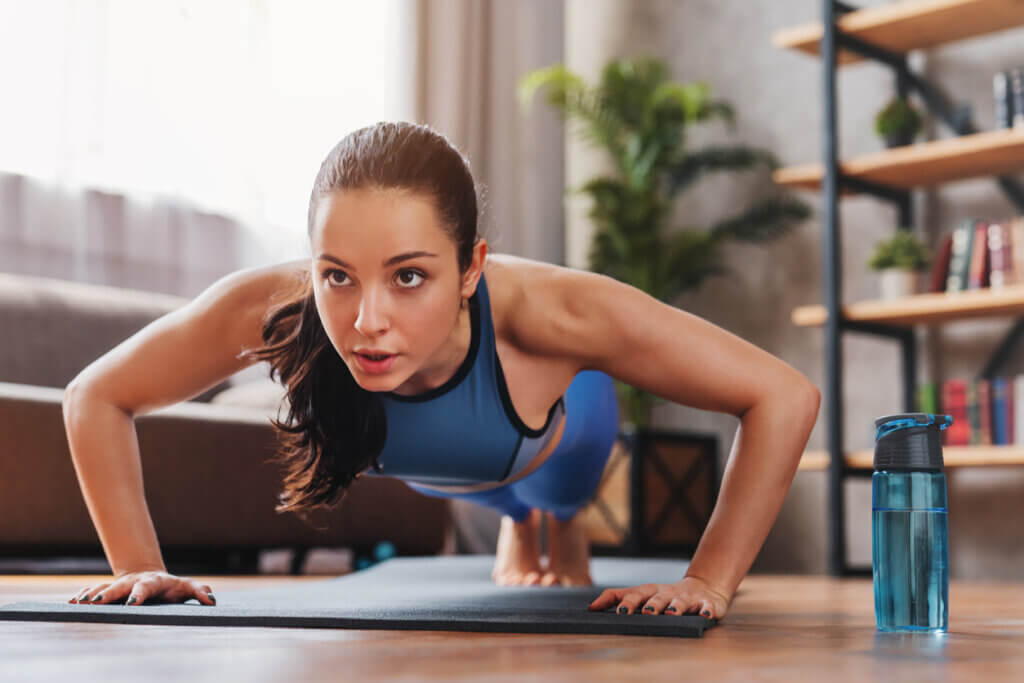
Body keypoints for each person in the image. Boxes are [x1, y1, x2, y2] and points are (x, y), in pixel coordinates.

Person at [63, 121, 819, 620]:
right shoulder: (274, 307)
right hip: (445, 461)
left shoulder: (554, 313)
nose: (366, 320)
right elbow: (96, 394)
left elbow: (782, 394)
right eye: (338, 275)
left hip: (557, 427)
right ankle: (519, 522)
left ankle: (551, 517)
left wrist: (708, 580)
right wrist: (138, 567)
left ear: (469, 269)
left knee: (556, 491)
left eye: (409, 276)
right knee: (491, 493)